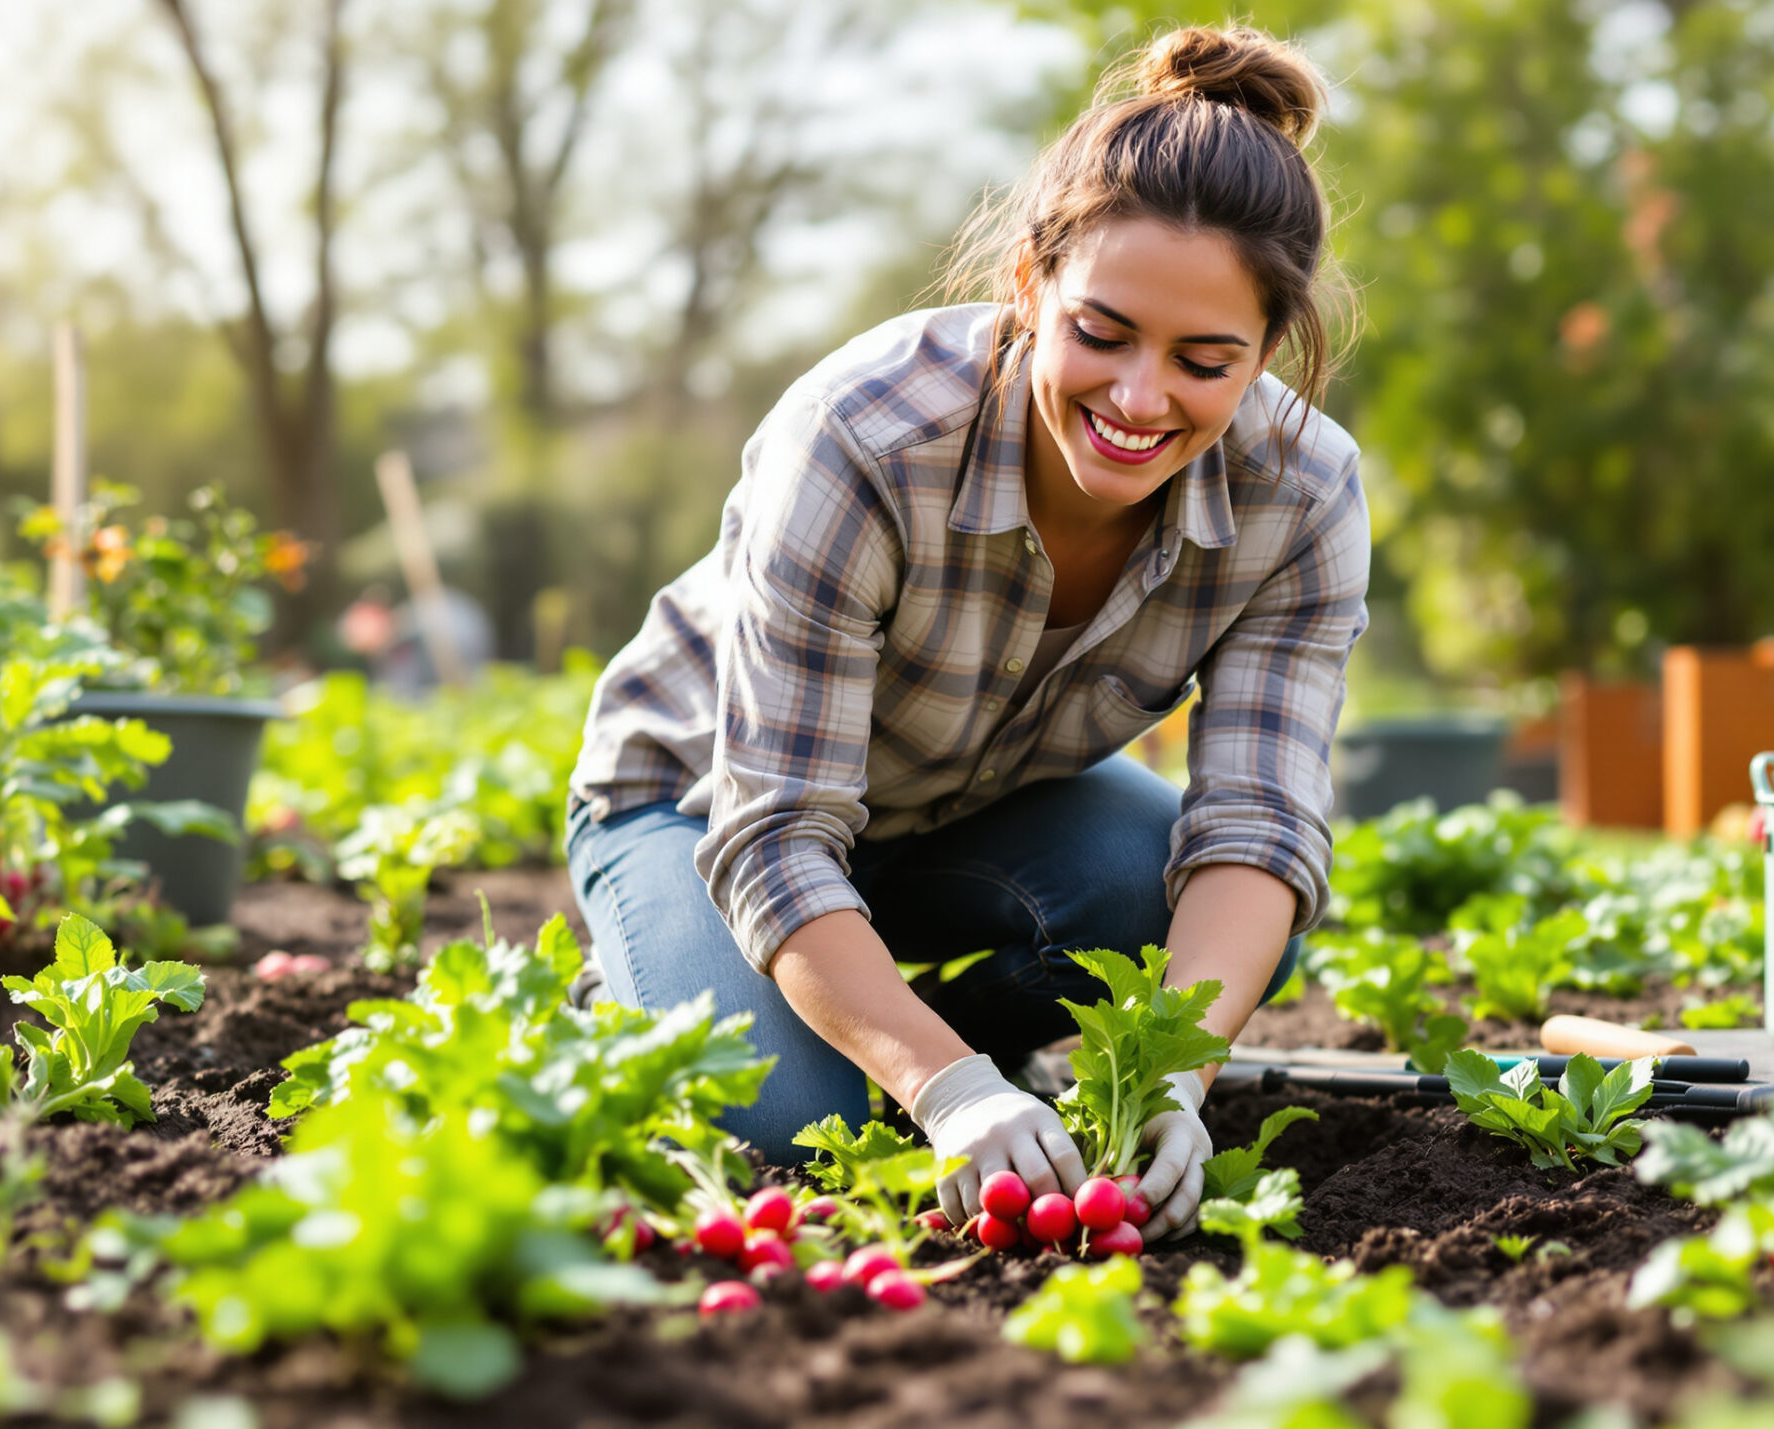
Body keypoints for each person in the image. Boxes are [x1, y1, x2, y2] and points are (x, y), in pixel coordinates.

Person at [566, 24, 1367, 1244]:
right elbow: (775, 830)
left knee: (1208, 946)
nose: (1140, 399)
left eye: (1206, 361)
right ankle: (676, 983)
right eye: (1101, 333)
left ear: (1269, 351)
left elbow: (1257, 826)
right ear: (1027, 285)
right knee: (801, 1135)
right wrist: (943, 1088)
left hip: (958, 817)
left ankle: (902, 1034)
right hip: (697, 810)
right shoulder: (865, 438)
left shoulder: (1301, 493)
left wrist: (1166, 1080)